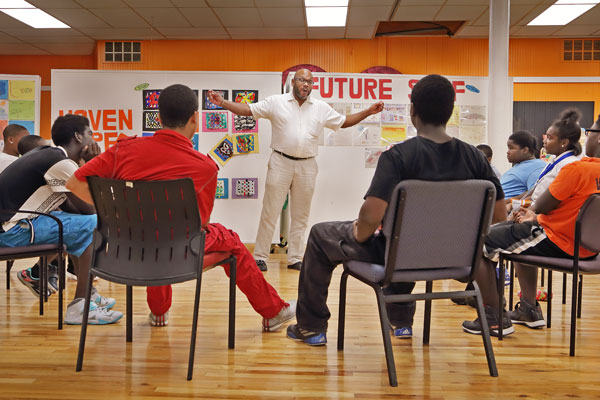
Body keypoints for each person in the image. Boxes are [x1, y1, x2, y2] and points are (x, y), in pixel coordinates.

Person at [285, 74, 506, 345]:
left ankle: (311, 327)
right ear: (451, 110)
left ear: (412, 110)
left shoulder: (398, 156)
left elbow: (370, 218)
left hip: (401, 255)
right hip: (458, 257)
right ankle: (400, 323)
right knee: (407, 238)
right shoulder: (475, 158)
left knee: (321, 235)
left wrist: (360, 231)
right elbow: (499, 217)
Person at [67, 84, 296, 331]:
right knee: (230, 243)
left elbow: (74, 182)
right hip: (178, 253)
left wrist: (118, 211)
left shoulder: (123, 150)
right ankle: (274, 312)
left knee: (154, 233)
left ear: (158, 118)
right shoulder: (204, 168)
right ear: (195, 119)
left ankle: (159, 313)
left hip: (129, 250)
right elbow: (200, 224)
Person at [207, 69, 384, 272]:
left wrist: (369, 111)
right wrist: (222, 102)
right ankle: (260, 256)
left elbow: (344, 122)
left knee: (301, 215)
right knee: (270, 211)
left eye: (310, 81)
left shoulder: (320, 107)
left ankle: (295, 258)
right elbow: (248, 110)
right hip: (280, 161)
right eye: (302, 80)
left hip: (308, 165)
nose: (306, 84)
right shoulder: (276, 102)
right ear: (294, 81)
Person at [462, 115, 600, 336]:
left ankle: (494, 316)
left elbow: (543, 205)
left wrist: (532, 215)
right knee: (513, 239)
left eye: (590, 132)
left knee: (476, 241)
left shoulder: (576, 169)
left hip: (558, 239)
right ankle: (529, 309)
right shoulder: (587, 168)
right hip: (588, 247)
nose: (587, 138)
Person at [0, 114, 123, 325]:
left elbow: (73, 208)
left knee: (81, 225)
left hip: (11, 226)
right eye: (90, 134)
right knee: (96, 224)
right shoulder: (60, 162)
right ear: (78, 137)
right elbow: (92, 208)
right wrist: (92, 164)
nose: (94, 139)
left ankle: (88, 294)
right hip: (11, 232)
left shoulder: (49, 155)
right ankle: (80, 307)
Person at [500, 130, 546, 200]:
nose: (508, 152)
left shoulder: (537, 166)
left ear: (525, 150)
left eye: (511, 148)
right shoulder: (519, 165)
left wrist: (506, 203)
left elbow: (535, 193)